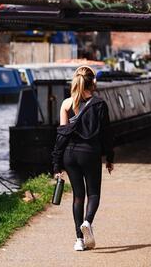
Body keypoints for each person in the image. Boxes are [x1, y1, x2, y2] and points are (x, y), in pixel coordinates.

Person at [52, 66, 114, 252]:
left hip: (70, 155)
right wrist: (109, 158)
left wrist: (56, 163)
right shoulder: (99, 104)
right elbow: (106, 135)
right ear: (93, 83)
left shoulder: (66, 104)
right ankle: (87, 222)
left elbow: (62, 135)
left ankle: (79, 240)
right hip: (90, 154)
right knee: (93, 193)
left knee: (78, 197)